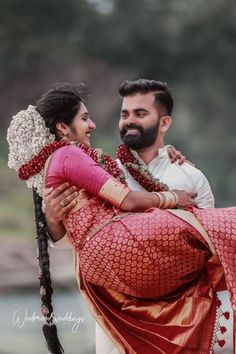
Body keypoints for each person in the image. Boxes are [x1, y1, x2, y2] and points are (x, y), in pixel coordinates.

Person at [7, 83, 236, 354]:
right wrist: (53, 219)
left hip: (182, 314)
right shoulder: (109, 168)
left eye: (140, 113)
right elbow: (80, 237)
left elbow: (209, 249)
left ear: (164, 123)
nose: (129, 121)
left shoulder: (190, 176)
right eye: (124, 114)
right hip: (119, 315)